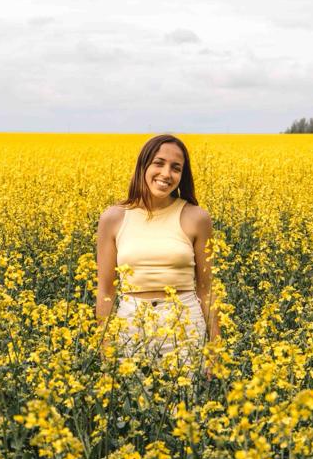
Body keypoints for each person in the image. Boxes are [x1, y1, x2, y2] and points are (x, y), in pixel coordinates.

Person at [95, 134, 221, 379]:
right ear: (144, 165)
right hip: (130, 324)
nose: (166, 174)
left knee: (182, 410)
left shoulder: (197, 218)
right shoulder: (113, 218)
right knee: (131, 410)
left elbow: (207, 291)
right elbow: (106, 291)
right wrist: (105, 345)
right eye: (159, 163)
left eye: (176, 168)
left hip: (185, 326)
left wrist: (215, 349)